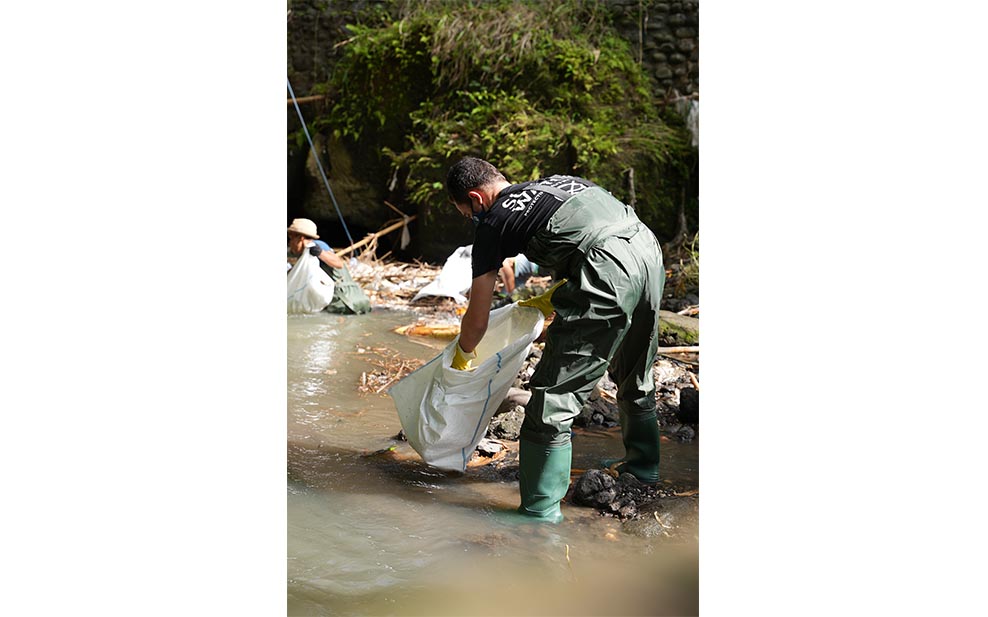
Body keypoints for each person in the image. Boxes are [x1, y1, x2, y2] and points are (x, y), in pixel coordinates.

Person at [446, 157, 665, 523]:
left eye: (466, 213)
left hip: (607, 269)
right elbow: (588, 235)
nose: (472, 221)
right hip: (647, 250)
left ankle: (538, 514)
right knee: (635, 374)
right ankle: (644, 468)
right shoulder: (559, 184)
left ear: (476, 198)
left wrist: (462, 356)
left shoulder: (493, 221)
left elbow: (477, 318)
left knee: (550, 401)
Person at [287, 218, 371, 314]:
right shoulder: (305, 256)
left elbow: (338, 264)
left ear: (300, 238)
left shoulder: (317, 246)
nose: (289, 243)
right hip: (352, 301)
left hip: (344, 302)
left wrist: (319, 252)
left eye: (291, 238)